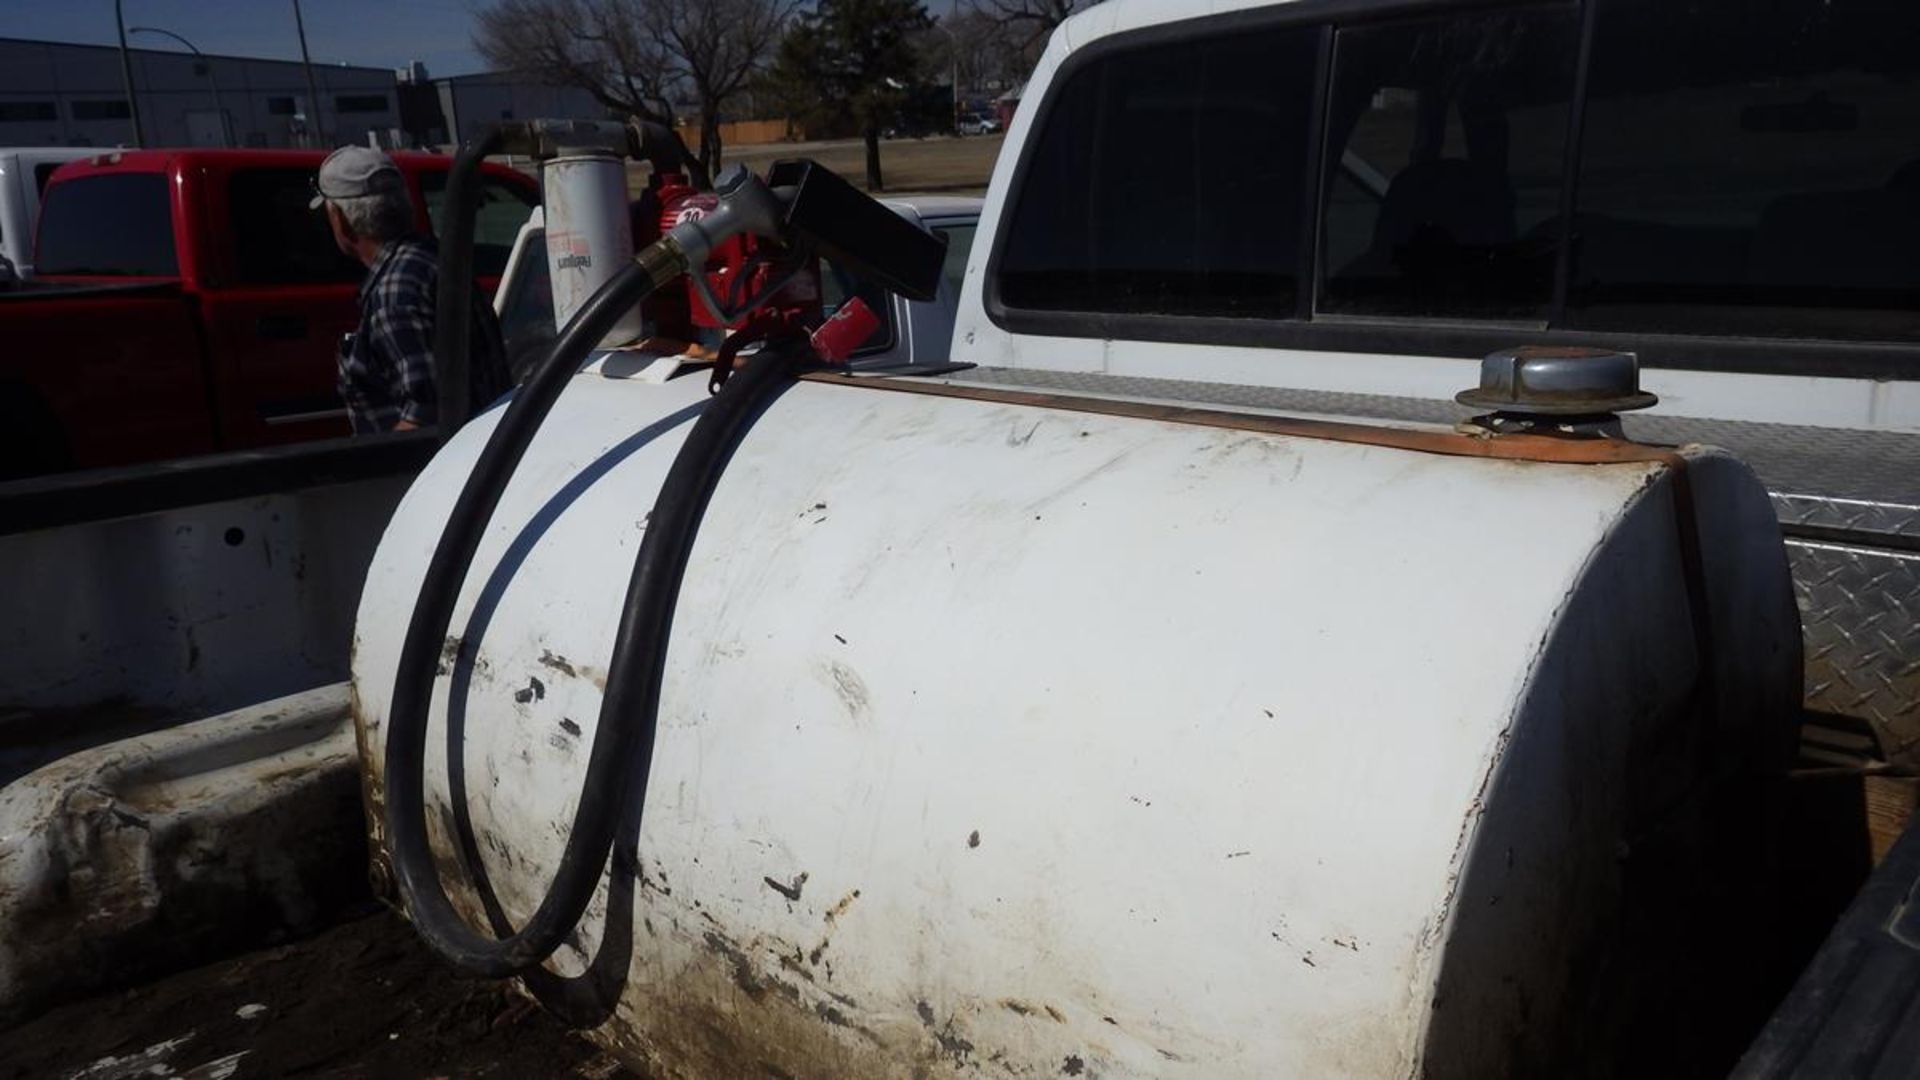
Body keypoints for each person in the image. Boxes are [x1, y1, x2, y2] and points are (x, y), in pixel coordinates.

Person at [311, 145, 510, 434]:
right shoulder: (433, 260)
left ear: (340, 221)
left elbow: (426, 420)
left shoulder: (396, 295)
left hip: (446, 472)